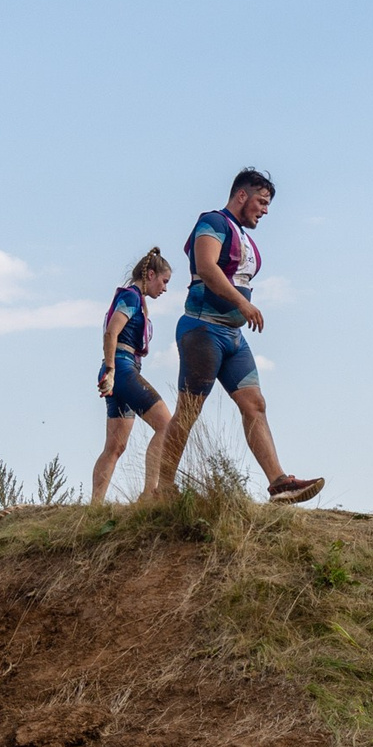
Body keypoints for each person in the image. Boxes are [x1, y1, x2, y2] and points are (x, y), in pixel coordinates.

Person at [142, 169, 324, 505]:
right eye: (262, 201)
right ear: (242, 195)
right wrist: (242, 302)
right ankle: (163, 489)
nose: (265, 210)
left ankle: (279, 483)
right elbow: (207, 266)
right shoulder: (213, 222)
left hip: (233, 335)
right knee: (189, 410)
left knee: (255, 405)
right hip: (202, 328)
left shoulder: (244, 237)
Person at [91, 249, 177, 504]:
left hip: (123, 369)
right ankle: (150, 493)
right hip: (122, 368)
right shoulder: (130, 297)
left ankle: (95, 508)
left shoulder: (137, 300)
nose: (164, 288)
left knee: (115, 447)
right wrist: (111, 370)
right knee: (166, 425)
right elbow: (111, 332)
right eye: (164, 281)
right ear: (150, 275)